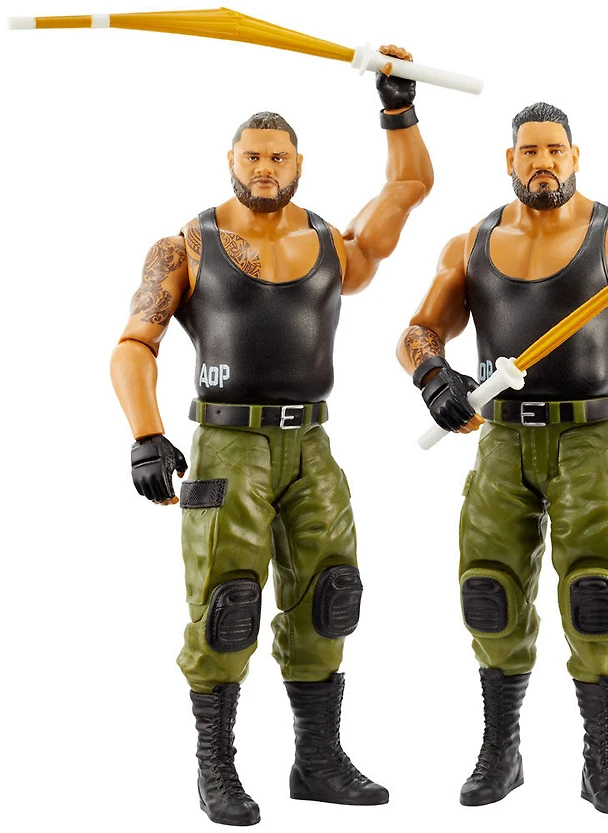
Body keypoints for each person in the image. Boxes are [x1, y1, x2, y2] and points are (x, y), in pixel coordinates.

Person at [111, 48, 433, 826]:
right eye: (252, 157)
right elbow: (134, 345)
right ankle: (216, 770)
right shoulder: (187, 244)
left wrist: (398, 109)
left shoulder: (333, 245)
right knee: (227, 603)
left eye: (277, 157)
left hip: (312, 445)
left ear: (298, 164)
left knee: (330, 595)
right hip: (228, 446)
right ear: (231, 161)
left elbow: (408, 187)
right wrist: (147, 434)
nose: (264, 168)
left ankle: (317, 761)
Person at [397, 102, 608, 816]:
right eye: (530, 151)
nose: (543, 162)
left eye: (555, 150)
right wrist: (433, 376)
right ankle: (502, 750)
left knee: (597, 597)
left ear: (575, 157)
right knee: (488, 593)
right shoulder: (471, 245)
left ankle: (600, 758)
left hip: (588, 440)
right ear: (510, 160)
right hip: (502, 441)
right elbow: (420, 330)